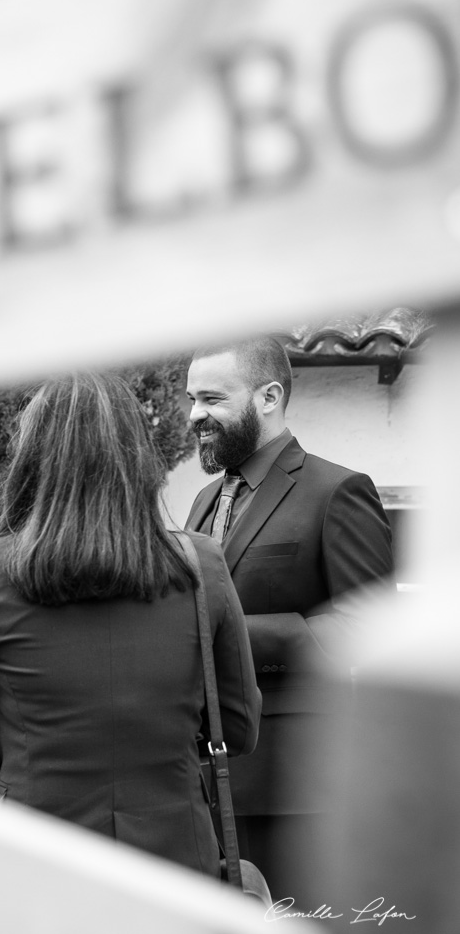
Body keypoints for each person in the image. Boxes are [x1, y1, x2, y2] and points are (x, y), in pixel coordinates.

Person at [0, 372, 261, 875]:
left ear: (33, 461)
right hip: (176, 856)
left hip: (37, 855)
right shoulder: (201, 563)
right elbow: (238, 729)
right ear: (138, 458)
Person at [185, 336, 395, 905]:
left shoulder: (338, 491)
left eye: (211, 399)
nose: (194, 415)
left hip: (296, 782)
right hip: (203, 781)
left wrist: (222, 640)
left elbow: (367, 630)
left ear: (269, 396)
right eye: (191, 400)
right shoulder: (203, 500)